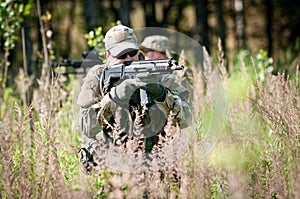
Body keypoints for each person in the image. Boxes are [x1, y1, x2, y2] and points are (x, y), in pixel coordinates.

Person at [77, 25, 191, 173]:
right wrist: (113, 98)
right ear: (108, 56)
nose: (129, 59)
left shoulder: (156, 72)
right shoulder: (98, 76)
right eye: (122, 55)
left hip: (156, 158)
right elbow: (87, 127)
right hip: (114, 162)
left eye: (132, 53)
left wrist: (163, 95)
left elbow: (188, 117)